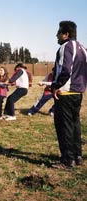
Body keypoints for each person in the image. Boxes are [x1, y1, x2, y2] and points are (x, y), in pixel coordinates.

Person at [51, 21, 87, 168]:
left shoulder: (65, 47)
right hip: (78, 93)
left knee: (64, 126)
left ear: (66, 34)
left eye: (59, 32)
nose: (56, 35)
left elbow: (65, 70)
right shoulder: (83, 48)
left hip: (64, 93)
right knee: (74, 124)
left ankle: (67, 160)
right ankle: (77, 156)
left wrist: (56, 86)